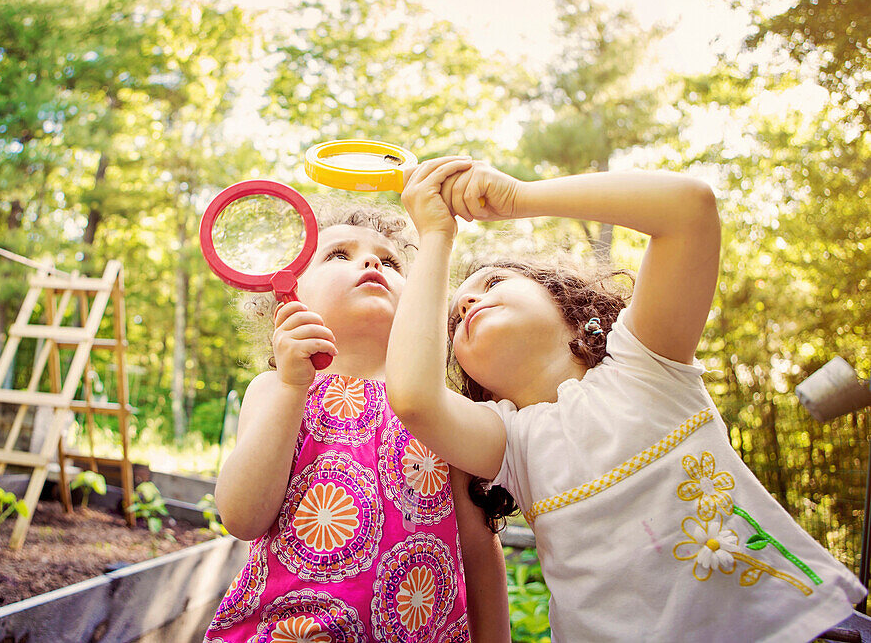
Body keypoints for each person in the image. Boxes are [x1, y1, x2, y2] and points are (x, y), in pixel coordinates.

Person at [387, 158, 867, 642]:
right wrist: (435, 238)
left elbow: (689, 209)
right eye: (454, 320)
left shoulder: (646, 365)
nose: (467, 303)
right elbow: (414, 399)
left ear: (567, 304)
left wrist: (519, 199)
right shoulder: (509, 441)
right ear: (479, 386)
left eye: (492, 283)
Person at [205, 197, 510, 643]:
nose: (370, 261)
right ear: (287, 298)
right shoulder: (278, 391)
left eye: (391, 261)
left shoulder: (440, 410)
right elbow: (242, 517)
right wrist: (292, 386)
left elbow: (481, 552)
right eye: (337, 254)